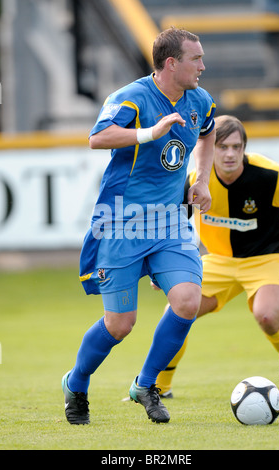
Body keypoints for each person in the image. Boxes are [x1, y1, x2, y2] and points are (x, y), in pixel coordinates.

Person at [61, 27, 216, 424]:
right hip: (121, 225)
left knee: (187, 301)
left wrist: (201, 180)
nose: (203, 65)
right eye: (195, 59)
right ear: (171, 63)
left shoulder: (199, 99)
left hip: (169, 224)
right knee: (120, 325)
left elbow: (209, 129)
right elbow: (98, 138)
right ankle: (76, 384)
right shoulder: (132, 97)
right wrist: (150, 132)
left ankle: (146, 385)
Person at [156, 115, 279, 399]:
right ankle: (159, 386)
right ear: (208, 148)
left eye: (236, 146)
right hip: (218, 260)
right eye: (222, 147)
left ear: (244, 147)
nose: (230, 154)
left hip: (270, 257)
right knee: (177, 311)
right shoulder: (194, 181)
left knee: (268, 316)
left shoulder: (272, 177)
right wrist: (164, 268)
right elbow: (172, 228)